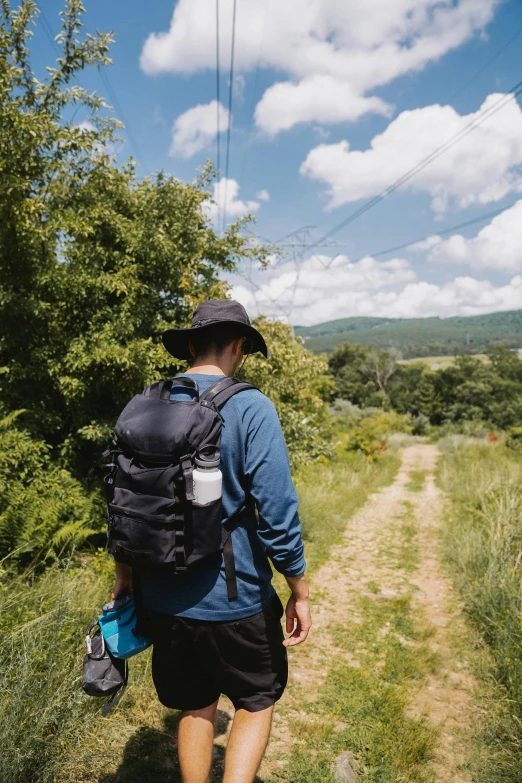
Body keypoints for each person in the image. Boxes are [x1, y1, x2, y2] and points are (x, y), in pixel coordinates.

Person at [111, 299, 311, 783]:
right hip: (233, 598)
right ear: (240, 345)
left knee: (194, 704)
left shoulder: (147, 403)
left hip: (161, 593)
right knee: (257, 700)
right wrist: (299, 590)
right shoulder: (250, 406)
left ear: (191, 343)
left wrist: (125, 580)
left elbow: (121, 499)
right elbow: (277, 511)